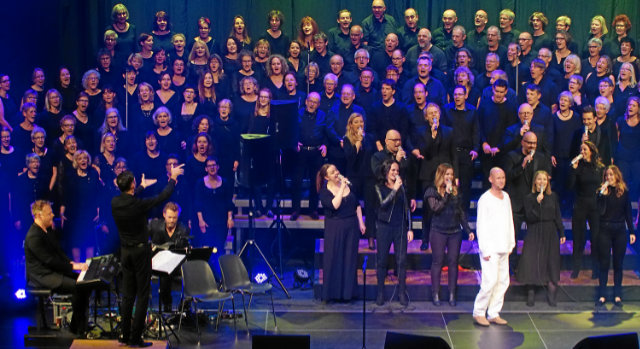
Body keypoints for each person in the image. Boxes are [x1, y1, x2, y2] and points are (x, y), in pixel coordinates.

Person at [111, 163, 184, 347]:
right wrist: (173, 178)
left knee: (128, 295)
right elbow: (163, 197)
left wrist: (142, 186)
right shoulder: (138, 204)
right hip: (140, 252)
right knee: (143, 294)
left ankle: (124, 335)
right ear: (132, 185)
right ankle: (136, 338)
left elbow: (130, 197)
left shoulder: (115, 202)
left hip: (125, 251)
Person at [24, 200, 90, 336]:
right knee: (78, 287)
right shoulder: (33, 236)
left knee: (84, 282)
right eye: (49, 213)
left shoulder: (47, 231)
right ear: (39, 216)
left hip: (51, 271)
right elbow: (49, 261)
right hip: (42, 276)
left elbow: (58, 253)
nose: (53, 215)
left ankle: (78, 325)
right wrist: (72, 266)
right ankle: (76, 328)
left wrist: (72, 263)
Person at [425, 163, 473, 306]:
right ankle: (436, 294)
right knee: (437, 262)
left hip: (454, 232)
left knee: (453, 263)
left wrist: (468, 230)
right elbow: (436, 208)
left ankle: (452, 294)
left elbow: (461, 212)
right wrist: (446, 194)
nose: (450, 177)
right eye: (447, 174)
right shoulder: (431, 191)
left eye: (451, 174)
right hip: (438, 231)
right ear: (441, 175)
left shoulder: (455, 192)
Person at [517, 170, 566, 307]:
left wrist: (561, 232)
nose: (542, 182)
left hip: (550, 231)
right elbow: (530, 217)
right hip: (534, 230)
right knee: (532, 260)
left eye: (544, 179)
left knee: (551, 261)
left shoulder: (553, 196)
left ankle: (551, 294)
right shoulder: (528, 198)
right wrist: (536, 203)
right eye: (539, 179)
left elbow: (557, 215)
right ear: (535, 182)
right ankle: (531, 292)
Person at [473, 167, 514, 327]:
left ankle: (493, 312)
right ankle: (479, 311)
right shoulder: (485, 199)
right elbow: (481, 225)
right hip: (491, 248)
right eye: (498, 178)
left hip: (504, 245)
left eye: (503, 177)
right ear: (490, 179)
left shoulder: (506, 197)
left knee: (503, 281)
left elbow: (509, 220)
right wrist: (485, 248)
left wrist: (511, 242)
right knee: (489, 281)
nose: (501, 180)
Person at [317, 164, 365, 302]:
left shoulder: (349, 187)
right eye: (332, 173)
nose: (336, 173)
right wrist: (342, 188)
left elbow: (356, 205)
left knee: (349, 258)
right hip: (335, 227)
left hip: (351, 226)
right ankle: (332, 293)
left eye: (336, 170)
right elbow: (335, 205)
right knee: (334, 258)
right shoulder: (325, 192)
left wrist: (361, 222)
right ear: (327, 177)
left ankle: (347, 293)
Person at [374, 159, 413, 307]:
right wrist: (394, 190)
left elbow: (407, 208)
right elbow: (383, 204)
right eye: (393, 171)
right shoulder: (379, 187)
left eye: (397, 171)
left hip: (400, 227)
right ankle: (380, 293)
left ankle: (402, 292)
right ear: (386, 172)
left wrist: (410, 228)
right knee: (382, 260)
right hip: (384, 227)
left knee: (401, 261)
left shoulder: (402, 187)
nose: (396, 173)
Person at [596, 165, 636, 307]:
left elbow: (628, 213)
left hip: (619, 230)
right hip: (605, 229)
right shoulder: (601, 192)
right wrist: (602, 195)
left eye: (611, 175)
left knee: (618, 264)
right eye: (607, 175)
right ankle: (602, 294)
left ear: (617, 176)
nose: (609, 178)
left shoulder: (623, 192)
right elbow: (599, 211)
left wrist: (632, 231)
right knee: (604, 263)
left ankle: (617, 294)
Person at [569, 140, 604, 279]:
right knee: (579, 237)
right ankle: (576, 268)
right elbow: (570, 186)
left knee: (596, 238)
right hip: (580, 204)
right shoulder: (578, 166)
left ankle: (596, 268)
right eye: (581, 149)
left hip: (595, 205)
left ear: (591, 151)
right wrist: (573, 170)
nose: (582, 152)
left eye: (585, 149)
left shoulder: (599, 167)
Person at [150, 201, 189, 312]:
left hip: (178, 264)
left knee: (190, 272)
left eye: (174, 218)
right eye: (170, 217)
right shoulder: (157, 229)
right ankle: (167, 305)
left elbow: (184, 251)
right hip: (162, 264)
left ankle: (185, 305)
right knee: (165, 274)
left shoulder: (183, 229)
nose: (172, 220)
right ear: (164, 215)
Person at [194, 157, 234, 250]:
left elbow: (229, 202)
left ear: (218, 167)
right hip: (206, 221)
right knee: (207, 248)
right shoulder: (200, 183)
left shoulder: (225, 182)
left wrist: (229, 218)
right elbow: (198, 203)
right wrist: (201, 220)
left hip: (221, 221)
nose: (212, 168)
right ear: (206, 168)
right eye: (209, 166)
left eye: (214, 165)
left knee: (220, 247)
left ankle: (219, 264)